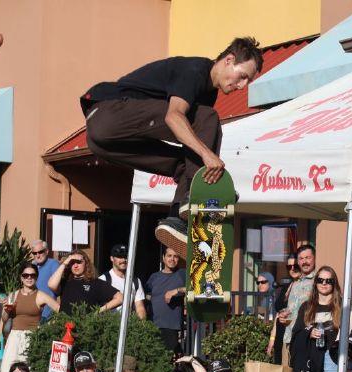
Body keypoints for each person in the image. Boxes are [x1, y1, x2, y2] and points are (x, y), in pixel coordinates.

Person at [80, 38, 263, 258]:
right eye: (242, 76)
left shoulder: (207, 93)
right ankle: (197, 195)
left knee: (184, 163)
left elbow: (187, 139)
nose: (242, 86)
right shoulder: (195, 70)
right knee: (207, 118)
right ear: (229, 60)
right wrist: (208, 155)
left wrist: (199, 156)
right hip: (110, 113)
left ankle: (177, 220)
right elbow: (173, 117)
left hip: (103, 143)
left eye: (247, 81)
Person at [0, 262, 60, 372]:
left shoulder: (41, 295)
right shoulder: (13, 295)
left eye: (32, 275)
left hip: (31, 337)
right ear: (21, 277)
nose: (29, 278)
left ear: (36, 277)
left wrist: (47, 326)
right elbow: (4, 319)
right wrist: (7, 311)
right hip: (14, 336)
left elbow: (60, 311)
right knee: (7, 370)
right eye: (25, 275)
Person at [290, 266, 342, 372]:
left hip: (330, 359)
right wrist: (309, 332)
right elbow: (296, 333)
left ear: (334, 283)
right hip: (308, 362)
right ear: (316, 283)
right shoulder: (306, 307)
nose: (324, 283)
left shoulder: (341, 306)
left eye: (328, 281)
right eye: (320, 280)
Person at [48, 250, 123, 315]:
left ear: (86, 264)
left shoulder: (96, 283)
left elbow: (120, 298)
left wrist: (98, 311)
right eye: (72, 262)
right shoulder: (65, 282)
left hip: (86, 326)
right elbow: (51, 285)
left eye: (79, 262)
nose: (75, 266)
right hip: (65, 325)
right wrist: (65, 262)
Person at [280, 244, 316, 367]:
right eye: (301, 259)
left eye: (308, 258)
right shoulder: (294, 283)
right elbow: (291, 309)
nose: (304, 262)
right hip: (289, 337)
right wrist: (283, 315)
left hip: (306, 339)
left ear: (314, 258)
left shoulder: (319, 281)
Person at [146, 247, 186, 354]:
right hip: (152, 325)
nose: (172, 259)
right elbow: (146, 295)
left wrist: (176, 290)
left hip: (171, 326)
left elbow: (196, 288)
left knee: (168, 358)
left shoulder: (182, 274)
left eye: (175, 256)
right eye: (169, 256)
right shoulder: (154, 277)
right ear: (163, 258)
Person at [267, 254, 301, 364]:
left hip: (293, 336)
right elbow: (279, 314)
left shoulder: (306, 288)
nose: (292, 269)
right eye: (289, 266)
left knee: (290, 369)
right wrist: (272, 339)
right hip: (280, 336)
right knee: (279, 368)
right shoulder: (286, 287)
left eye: (295, 266)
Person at [99, 244, 146, 320]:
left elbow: (140, 307)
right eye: (120, 257)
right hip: (108, 324)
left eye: (126, 257)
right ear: (111, 258)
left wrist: (142, 323)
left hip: (129, 325)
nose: (124, 260)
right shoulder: (103, 279)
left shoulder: (135, 281)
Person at [31, 239, 60, 322]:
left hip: (47, 314)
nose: (37, 255)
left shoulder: (53, 264)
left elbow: (57, 289)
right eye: (34, 253)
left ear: (47, 251)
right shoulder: (32, 265)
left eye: (40, 252)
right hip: (32, 312)